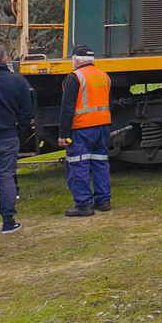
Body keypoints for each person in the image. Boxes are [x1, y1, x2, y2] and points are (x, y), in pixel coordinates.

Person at [57, 44, 112, 216]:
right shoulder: (104, 76)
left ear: (76, 60)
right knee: (100, 162)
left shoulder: (74, 77)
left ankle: (84, 205)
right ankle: (104, 200)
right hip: (103, 126)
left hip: (82, 128)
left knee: (77, 164)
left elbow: (67, 108)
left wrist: (63, 135)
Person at [0, 43, 32, 234]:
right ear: (5, 59)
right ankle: (8, 222)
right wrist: (20, 131)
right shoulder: (17, 81)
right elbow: (26, 113)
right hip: (7, 135)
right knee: (6, 178)